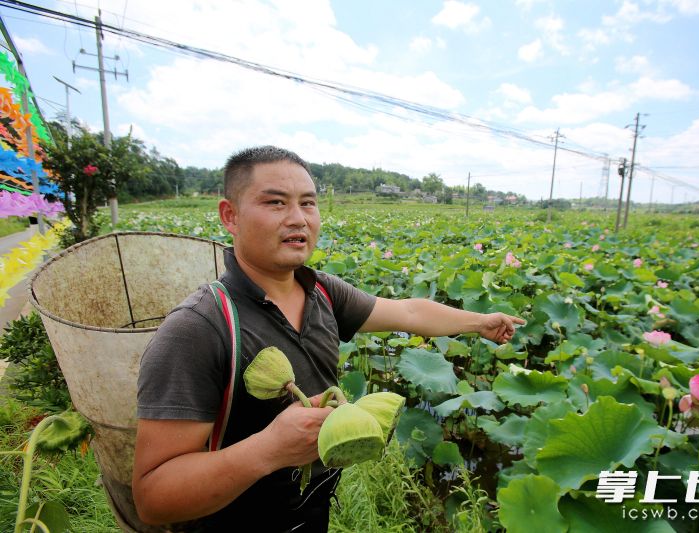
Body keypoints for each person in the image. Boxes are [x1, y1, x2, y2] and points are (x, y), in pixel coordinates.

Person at [133, 145, 525, 531]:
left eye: (308, 203)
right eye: (275, 203)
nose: (298, 219)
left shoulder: (322, 291)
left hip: (310, 513)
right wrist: (267, 450)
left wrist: (479, 322)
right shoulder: (199, 327)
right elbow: (152, 498)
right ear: (229, 216)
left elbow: (407, 312)